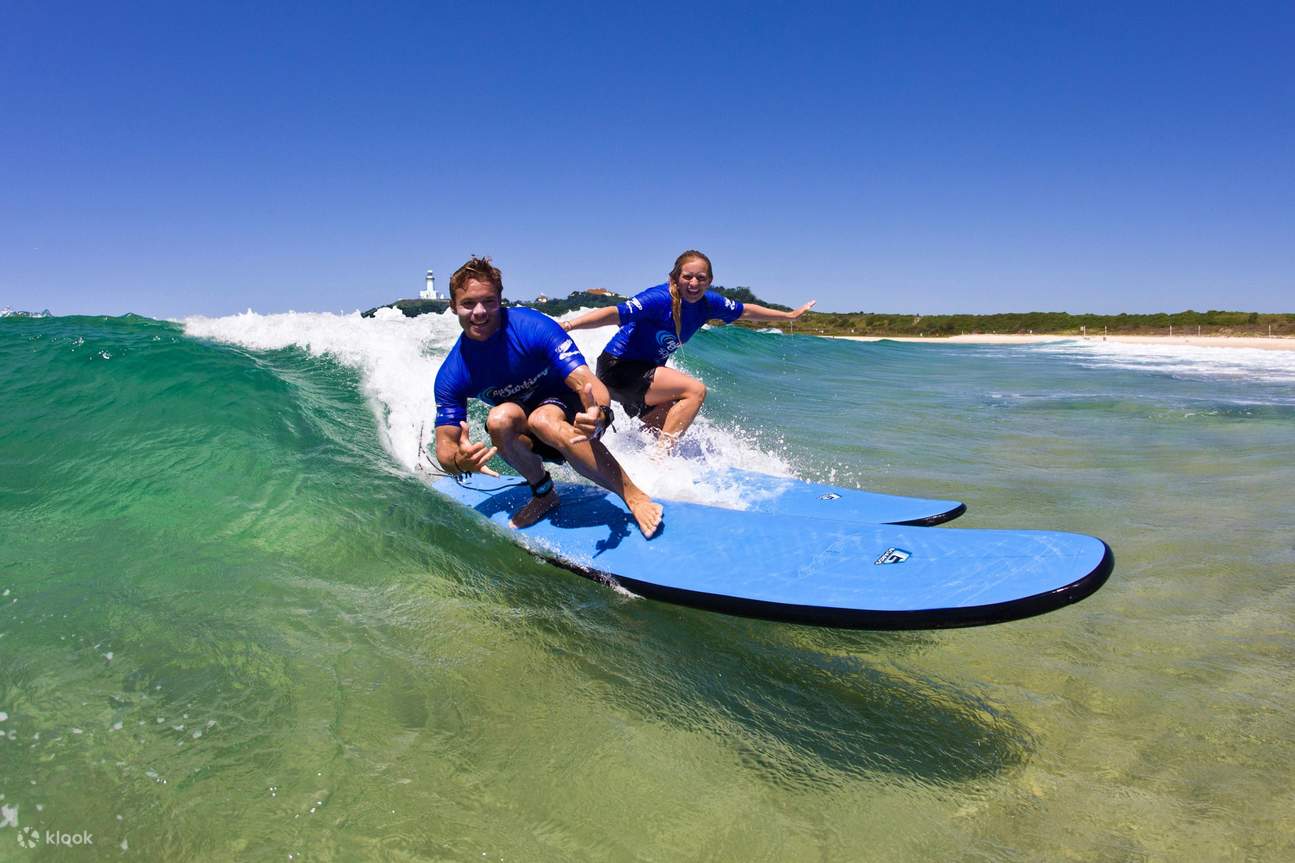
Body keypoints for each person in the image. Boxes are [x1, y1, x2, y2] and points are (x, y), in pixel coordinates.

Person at [433, 256, 663, 538]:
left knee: (544, 418)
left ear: (500, 300)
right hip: (530, 437)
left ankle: (634, 496)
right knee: (499, 419)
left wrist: (600, 413)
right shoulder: (453, 372)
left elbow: (587, 382)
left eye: (489, 301)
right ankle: (543, 494)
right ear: (453, 306)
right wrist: (459, 461)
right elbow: (444, 447)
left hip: (576, 417)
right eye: (468, 303)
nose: (479, 312)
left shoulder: (532, 326)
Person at [561, 250, 815, 449]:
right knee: (695, 390)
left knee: (665, 424)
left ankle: (639, 462)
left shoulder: (708, 303)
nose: (694, 282)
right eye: (687, 277)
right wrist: (569, 325)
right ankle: (662, 458)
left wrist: (789, 316)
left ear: (709, 281)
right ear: (674, 278)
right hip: (618, 368)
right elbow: (614, 313)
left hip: (643, 374)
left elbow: (746, 310)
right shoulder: (658, 298)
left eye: (701, 278)